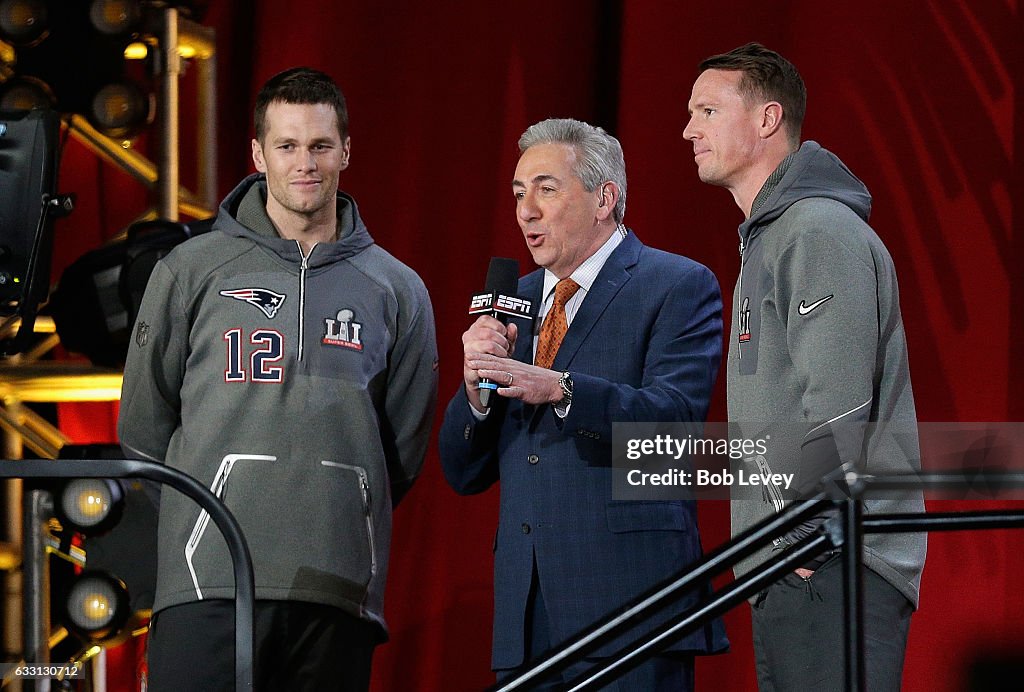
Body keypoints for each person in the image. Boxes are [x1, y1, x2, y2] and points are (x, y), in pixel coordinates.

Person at [118, 67, 438, 691]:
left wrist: (340, 503)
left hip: (337, 583)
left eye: (320, 145)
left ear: (346, 149)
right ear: (259, 154)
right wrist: (209, 507)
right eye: (287, 146)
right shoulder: (191, 269)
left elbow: (404, 444)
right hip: (204, 577)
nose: (305, 163)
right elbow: (143, 427)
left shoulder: (398, 289)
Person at [439, 118, 728, 690]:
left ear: (604, 198)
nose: (526, 211)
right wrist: (475, 394)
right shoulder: (514, 300)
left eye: (546, 189)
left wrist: (562, 388)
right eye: (519, 194)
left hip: (632, 607)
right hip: (528, 614)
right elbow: (462, 472)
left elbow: (674, 423)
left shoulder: (676, 284)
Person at [683, 43, 927, 690]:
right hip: (796, 559)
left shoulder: (816, 230)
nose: (689, 130)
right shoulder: (777, 237)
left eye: (707, 110)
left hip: (829, 558)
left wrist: (807, 535)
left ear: (767, 120)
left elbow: (837, 400)